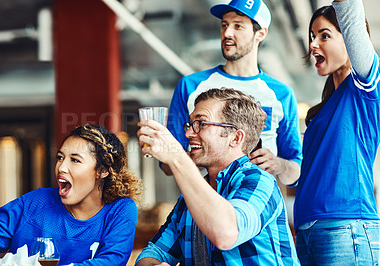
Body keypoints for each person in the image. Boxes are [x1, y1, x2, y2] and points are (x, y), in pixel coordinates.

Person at [136, 88, 300, 265]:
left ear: (236, 138)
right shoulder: (191, 197)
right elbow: (155, 252)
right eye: (190, 124)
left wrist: (177, 157)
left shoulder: (258, 181)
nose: (188, 133)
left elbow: (227, 233)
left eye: (201, 123)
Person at [163, 0, 302, 186]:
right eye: (224, 25)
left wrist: (279, 165)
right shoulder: (190, 85)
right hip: (203, 202)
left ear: (260, 34)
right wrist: (199, 158)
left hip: (257, 202)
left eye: (238, 26)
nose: (227, 33)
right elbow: (166, 166)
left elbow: (296, 171)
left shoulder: (282, 94)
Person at [293, 0, 380, 264]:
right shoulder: (319, 113)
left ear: (350, 41)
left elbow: (352, 17)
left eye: (324, 35)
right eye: (312, 37)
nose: (312, 44)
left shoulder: (363, 89)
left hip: (346, 226)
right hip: (308, 229)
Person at [0, 124, 142, 265]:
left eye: (75, 160)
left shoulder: (120, 210)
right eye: (60, 157)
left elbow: (112, 261)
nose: (61, 168)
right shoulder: (34, 203)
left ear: (102, 170)